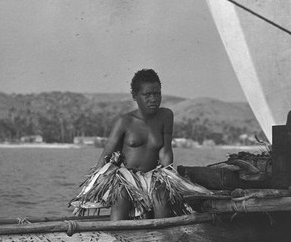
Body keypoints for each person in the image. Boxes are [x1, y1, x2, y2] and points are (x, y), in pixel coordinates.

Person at [70, 69, 212, 220]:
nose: (153, 99)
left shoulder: (165, 116)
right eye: (147, 95)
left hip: (153, 176)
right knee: (122, 194)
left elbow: (165, 151)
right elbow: (106, 154)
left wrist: (168, 177)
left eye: (157, 94)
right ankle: (116, 234)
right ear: (135, 96)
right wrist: (92, 187)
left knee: (162, 195)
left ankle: (161, 235)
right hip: (126, 177)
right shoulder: (125, 121)